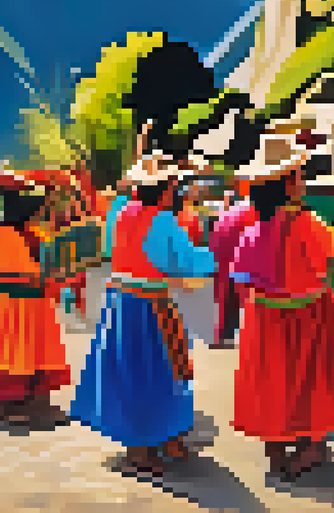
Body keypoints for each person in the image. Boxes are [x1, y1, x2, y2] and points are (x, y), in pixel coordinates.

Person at [231, 136, 334, 481]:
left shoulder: (253, 226)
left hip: (264, 315)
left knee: (272, 381)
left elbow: (241, 274)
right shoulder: (306, 222)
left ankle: (277, 451)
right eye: (299, 174)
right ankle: (309, 448)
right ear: (288, 182)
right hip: (309, 311)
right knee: (313, 379)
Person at [72, 160, 215, 477]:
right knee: (161, 371)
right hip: (150, 305)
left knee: (130, 372)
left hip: (120, 302)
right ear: (165, 190)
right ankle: (150, 446)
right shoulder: (162, 220)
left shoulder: (120, 213)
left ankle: (159, 440)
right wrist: (214, 257)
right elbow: (182, 261)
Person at [0, 177, 71, 427]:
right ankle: (11, 408)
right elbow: (16, 271)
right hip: (20, 304)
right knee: (17, 354)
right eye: (39, 208)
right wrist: (51, 275)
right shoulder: (8, 233)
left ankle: (32, 404)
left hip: (30, 303)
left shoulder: (24, 231)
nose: (42, 212)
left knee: (32, 354)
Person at [207, 174, 256, 349]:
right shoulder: (252, 212)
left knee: (226, 296)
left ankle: (222, 335)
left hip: (221, 253)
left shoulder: (231, 211)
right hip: (236, 255)